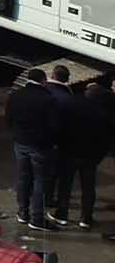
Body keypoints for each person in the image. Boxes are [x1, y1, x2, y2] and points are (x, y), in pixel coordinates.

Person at [7, 67, 61, 229]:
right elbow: (54, 126)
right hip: (40, 146)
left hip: (20, 143)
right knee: (40, 181)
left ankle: (22, 213)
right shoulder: (48, 99)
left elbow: (8, 118)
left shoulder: (15, 95)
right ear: (43, 80)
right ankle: (37, 218)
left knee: (23, 178)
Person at [53, 80, 111, 229]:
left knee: (65, 185)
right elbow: (106, 141)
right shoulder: (104, 115)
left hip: (69, 152)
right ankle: (86, 218)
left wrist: (60, 146)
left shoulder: (72, 107)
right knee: (88, 187)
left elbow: (61, 128)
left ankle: (62, 215)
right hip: (90, 157)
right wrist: (98, 156)